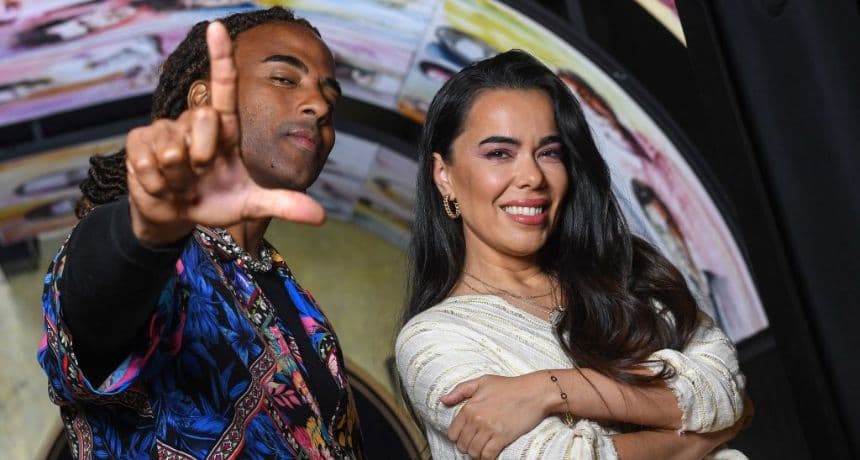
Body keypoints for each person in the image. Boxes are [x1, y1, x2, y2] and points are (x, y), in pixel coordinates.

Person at [37, 8, 364, 458]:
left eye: (330, 98)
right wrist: (149, 230)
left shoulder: (302, 308)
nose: (320, 106)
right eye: (285, 79)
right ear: (203, 99)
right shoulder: (157, 256)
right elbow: (94, 312)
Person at [396, 50, 751, 459]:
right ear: (444, 175)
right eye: (499, 153)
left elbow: (726, 387)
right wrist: (707, 433)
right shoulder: (433, 340)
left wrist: (549, 389)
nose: (532, 177)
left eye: (549, 152)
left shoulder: (627, 273)